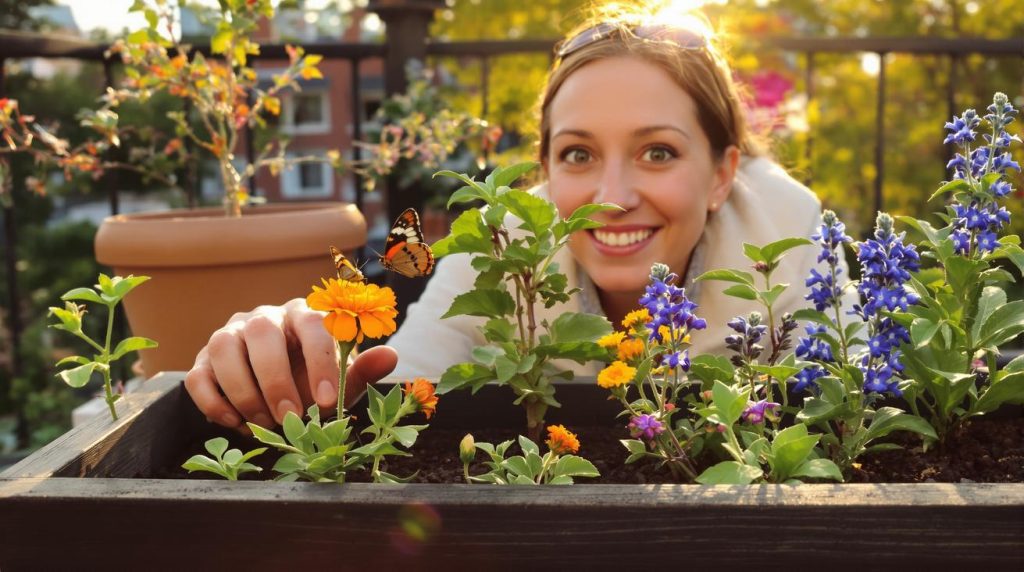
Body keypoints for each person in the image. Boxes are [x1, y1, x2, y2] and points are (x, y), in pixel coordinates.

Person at [185, 4, 849, 433]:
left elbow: (876, 384)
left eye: (658, 151)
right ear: (544, 170)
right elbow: (400, 389)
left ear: (723, 174)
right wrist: (297, 352)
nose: (612, 195)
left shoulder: (784, 236)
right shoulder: (503, 243)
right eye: (578, 153)